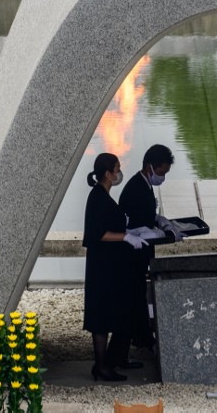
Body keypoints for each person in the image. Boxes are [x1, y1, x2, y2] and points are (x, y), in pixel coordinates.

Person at [82, 152, 148, 381]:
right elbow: (96, 234)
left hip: (112, 266)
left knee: (117, 310)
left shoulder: (104, 195)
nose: (119, 173)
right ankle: (101, 366)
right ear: (108, 173)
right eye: (117, 169)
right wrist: (125, 237)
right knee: (100, 316)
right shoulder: (97, 197)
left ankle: (117, 359)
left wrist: (130, 230)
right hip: (101, 267)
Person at [118, 144, 178, 349]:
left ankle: (141, 334)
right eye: (162, 172)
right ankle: (140, 337)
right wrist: (158, 232)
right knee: (135, 294)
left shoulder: (145, 184)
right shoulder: (135, 188)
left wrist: (160, 221)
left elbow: (146, 216)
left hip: (142, 250)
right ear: (150, 167)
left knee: (139, 293)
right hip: (133, 252)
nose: (163, 177)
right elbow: (131, 224)